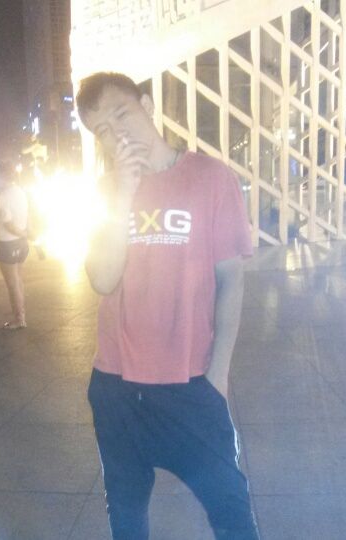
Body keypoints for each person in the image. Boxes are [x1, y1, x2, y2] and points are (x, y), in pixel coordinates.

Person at [76, 72, 260, 540]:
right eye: (103, 130)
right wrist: (123, 195)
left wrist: (218, 376)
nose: (118, 135)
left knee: (232, 513)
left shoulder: (211, 177)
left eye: (122, 115)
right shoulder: (106, 191)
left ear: (147, 105)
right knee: (126, 515)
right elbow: (102, 279)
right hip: (117, 385)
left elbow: (231, 280)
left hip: (190, 383)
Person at [0, 162, 29, 329]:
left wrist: (22, 234)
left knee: (12, 284)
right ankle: (21, 315)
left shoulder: (2, 198)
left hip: (8, 244)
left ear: (0, 177)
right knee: (18, 280)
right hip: (21, 244)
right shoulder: (21, 192)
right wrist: (26, 234)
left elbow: (8, 225)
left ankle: (19, 319)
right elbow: (28, 216)